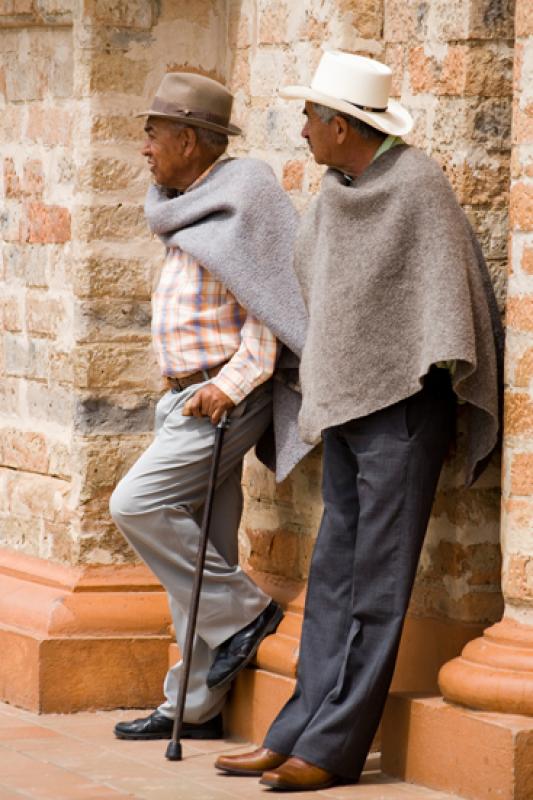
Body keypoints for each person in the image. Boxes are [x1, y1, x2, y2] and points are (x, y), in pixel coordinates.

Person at [215, 51, 503, 790]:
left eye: (310, 116)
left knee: (375, 583)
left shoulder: (415, 187)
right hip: (350, 404)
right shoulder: (340, 187)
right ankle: (294, 728)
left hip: (404, 410)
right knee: (332, 576)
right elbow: (322, 288)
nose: (301, 129)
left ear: (342, 125)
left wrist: (404, 372)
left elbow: (443, 298)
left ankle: (334, 747)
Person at [110, 72, 310, 742]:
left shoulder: (244, 192)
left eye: (154, 132)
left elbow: (272, 297)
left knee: (135, 505)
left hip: (221, 395)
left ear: (191, 140)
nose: (145, 146)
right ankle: (194, 705)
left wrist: (232, 382)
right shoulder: (181, 200)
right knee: (203, 549)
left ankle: (246, 613)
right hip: (185, 397)